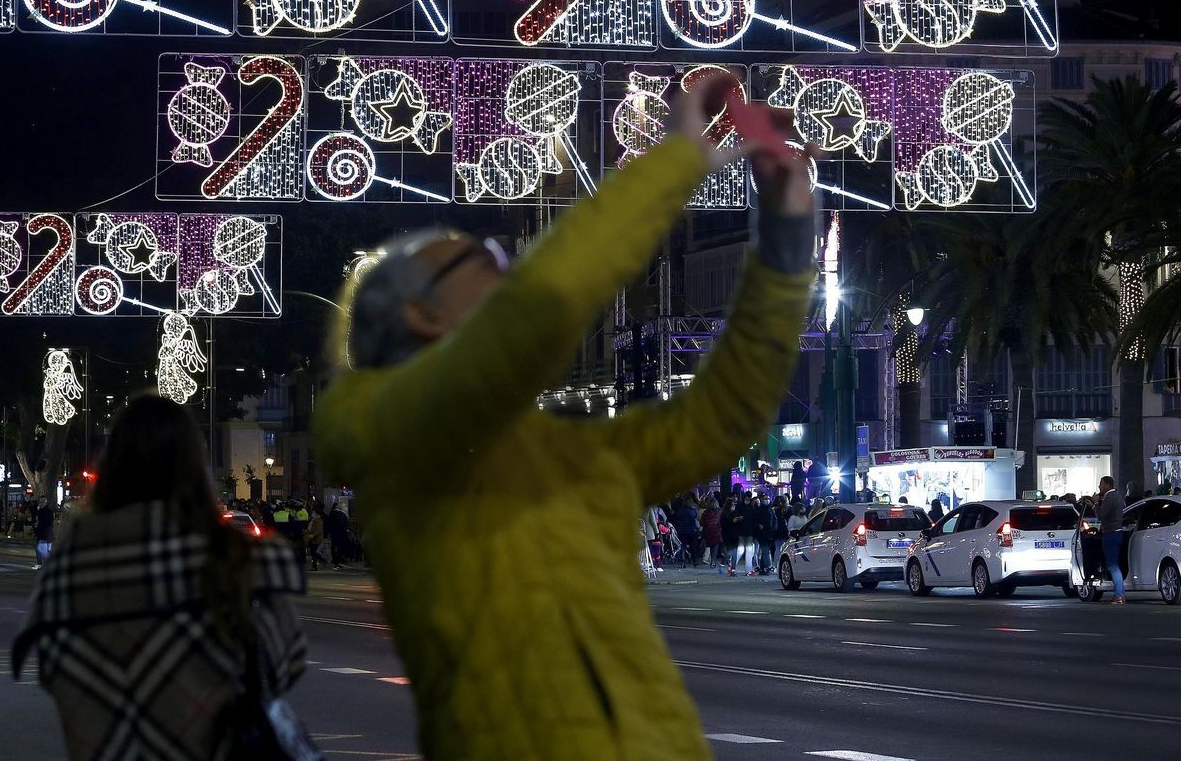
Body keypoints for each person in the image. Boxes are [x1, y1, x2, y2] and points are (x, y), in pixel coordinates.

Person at [314, 81, 816, 760]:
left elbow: (722, 416)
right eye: (482, 259)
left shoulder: (556, 448)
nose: (506, 263)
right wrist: (674, 162)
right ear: (422, 314)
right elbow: (534, 315)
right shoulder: (377, 426)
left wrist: (785, 233)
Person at [13, 395, 310, 759]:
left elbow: (50, 671)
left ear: (112, 467)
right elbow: (285, 664)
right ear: (194, 466)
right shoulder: (237, 559)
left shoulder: (67, 571)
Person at [1095, 476, 1126, 604]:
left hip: (1111, 533)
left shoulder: (1109, 497)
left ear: (1107, 485)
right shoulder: (1119, 496)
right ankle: (1120, 595)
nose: (1099, 487)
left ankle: (1119, 595)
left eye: (1101, 484)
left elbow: (1102, 516)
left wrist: (1096, 503)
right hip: (1118, 532)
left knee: (1112, 565)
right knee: (1114, 564)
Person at [32, 498, 55, 570]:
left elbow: (44, 522)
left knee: (39, 549)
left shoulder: (42, 511)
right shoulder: (48, 511)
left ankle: (41, 563)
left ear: (45, 502)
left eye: (41, 502)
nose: (40, 503)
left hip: (43, 533)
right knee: (46, 549)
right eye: (40, 502)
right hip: (48, 533)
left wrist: (37, 526)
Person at [304, 505, 326, 572]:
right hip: (312, 538)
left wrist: (313, 535)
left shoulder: (318, 521)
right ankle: (317, 563)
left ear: (317, 514)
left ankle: (315, 565)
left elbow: (318, 531)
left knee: (314, 553)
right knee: (313, 553)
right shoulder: (313, 520)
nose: (312, 514)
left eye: (314, 513)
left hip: (316, 539)